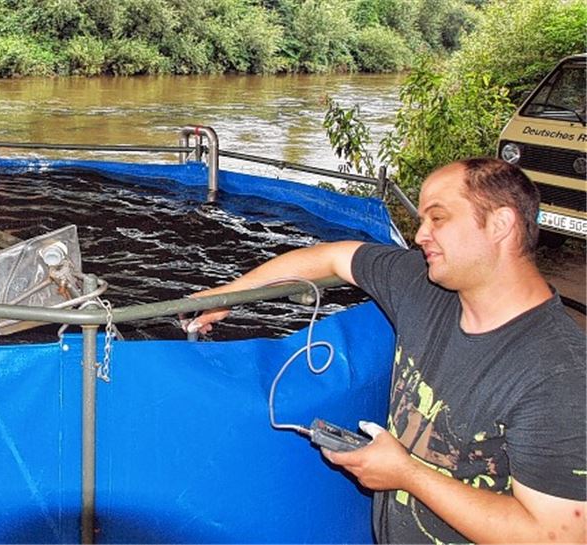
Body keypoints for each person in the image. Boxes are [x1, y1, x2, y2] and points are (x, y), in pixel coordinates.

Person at [185, 158, 586, 543]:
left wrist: (408, 475)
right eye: (422, 219)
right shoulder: (423, 286)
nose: (419, 235)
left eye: (438, 218)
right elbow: (335, 256)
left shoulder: (558, 373)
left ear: (500, 224)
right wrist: (230, 295)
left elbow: (558, 535)